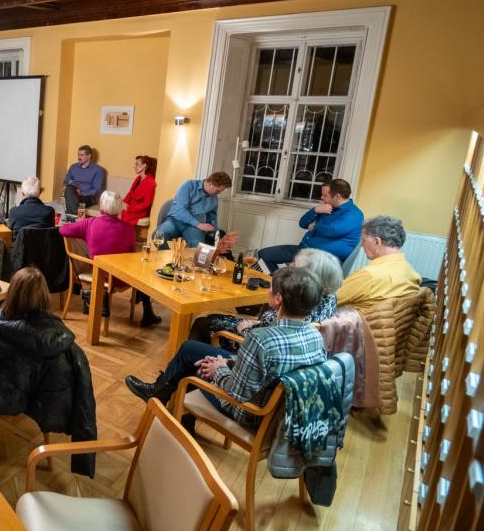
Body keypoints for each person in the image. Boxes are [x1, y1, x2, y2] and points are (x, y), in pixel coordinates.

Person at [124, 266, 328, 427]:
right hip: (279, 415)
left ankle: (166, 403)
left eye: (271, 287)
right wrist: (228, 362)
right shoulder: (316, 337)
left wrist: (218, 369)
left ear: (278, 298)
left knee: (199, 365)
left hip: (249, 411)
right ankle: (165, 401)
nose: (268, 289)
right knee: (192, 348)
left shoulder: (260, 339)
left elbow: (235, 394)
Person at [0, 266, 97, 477]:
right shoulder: (67, 345)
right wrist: (84, 461)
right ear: (45, 296)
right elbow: (85, 406)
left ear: (13, 295)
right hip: (42, 402)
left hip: (0, 399)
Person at [191, 247, 342, 347]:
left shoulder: (295, 300)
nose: (290, 266)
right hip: (269, 336)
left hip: (252, 345)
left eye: (294, 265)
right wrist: (256, 322)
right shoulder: (329, 298)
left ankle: (198, 371)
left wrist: (243, 329)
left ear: (309, 276)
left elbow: (266, 340)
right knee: (210, 317)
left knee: (203, 322)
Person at [59, 190, 160, 327]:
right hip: (122, 277)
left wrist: (81, 229)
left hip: (99, 274)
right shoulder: (128, 228)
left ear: (101, 206)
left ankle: (146, 310)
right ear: (119, 209)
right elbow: (132, 255)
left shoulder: (89, 224)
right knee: (141, 268)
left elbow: (63, 230)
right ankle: (147, 312)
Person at [259, 179, 364, 272]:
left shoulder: (354, 214)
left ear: (337, 196)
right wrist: (315, 210)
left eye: (325, 195)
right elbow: (303, 223)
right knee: (263, 255)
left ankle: (282, 284)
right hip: (304, 250)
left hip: (323, 260)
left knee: (291, 273)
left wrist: (315, 226)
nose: (322, 198)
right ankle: (275, 283)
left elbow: (331, 230)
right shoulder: (327, 207)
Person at [337, 216, 421, 308]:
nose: (361, 245)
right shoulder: (412, 273)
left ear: (377, 242)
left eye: (363, 240)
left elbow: (330, 300)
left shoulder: (369, 275)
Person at [156, 171, 231, 247]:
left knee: (198, 246)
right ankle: (168, 254)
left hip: (193, 227)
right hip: (176, 221)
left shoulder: (214, 199)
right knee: (158, 236)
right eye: (218, 190)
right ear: (211, 183)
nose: (218, 193)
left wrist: (216, 234)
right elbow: (180, 209)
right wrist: (198, 224)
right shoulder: (188, 186)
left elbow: (212, 218)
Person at [62, 144, 104, 215]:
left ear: (89, 156)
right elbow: (66, 180)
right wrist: (73, 187)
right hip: (72, 193)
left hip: (87, 197)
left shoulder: (98, 170)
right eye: (78, 155)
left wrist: (81, 193)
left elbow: (96, 189)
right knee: (69, 190)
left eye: (81, 155)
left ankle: (73, 216)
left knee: (71, 201)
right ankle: (77, 217)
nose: (79, 157)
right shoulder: (73, 167)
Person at [122, 155, 157, 226]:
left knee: (120, 216)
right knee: (115, 212)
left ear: (144, 166)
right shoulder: (138, 178)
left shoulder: (150, 182)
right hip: (131, 209)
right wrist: (123, 204)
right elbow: (130, 193)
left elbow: (146, 203)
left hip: (140, 212)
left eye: (137, 164)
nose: (134, 167)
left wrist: (130, 208)